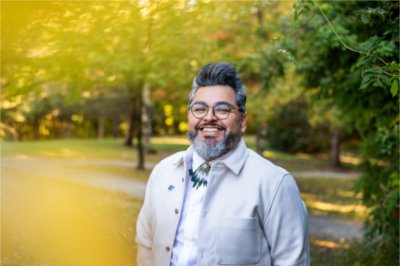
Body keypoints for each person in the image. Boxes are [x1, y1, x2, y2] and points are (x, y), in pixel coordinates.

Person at [136, 62, 310, 266]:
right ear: (189, 116)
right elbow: (146, 244)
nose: (209, 117)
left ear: (243, 121)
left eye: (222, 110)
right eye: (199, 109)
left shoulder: (274, 184)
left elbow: (292, 262)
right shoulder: (162, 172)